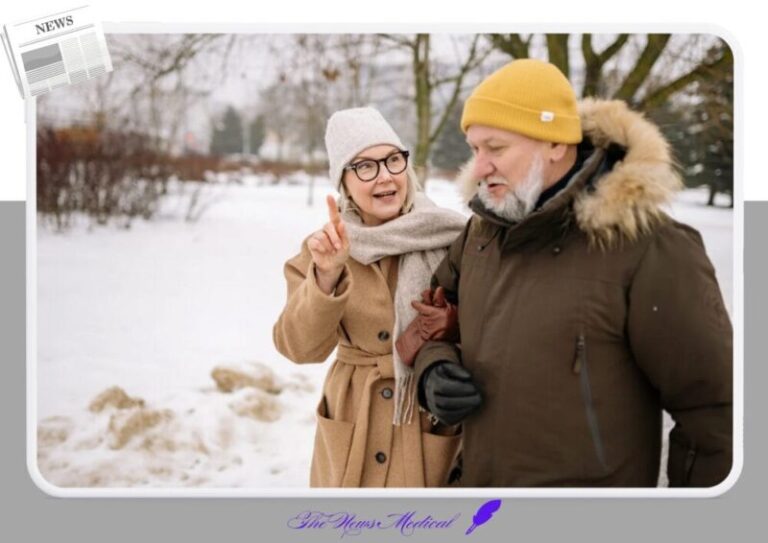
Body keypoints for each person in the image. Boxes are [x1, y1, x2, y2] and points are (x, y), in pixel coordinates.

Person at [412, 59, 733, 487]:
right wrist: (434, 371)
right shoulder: (480, 233)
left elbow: (715, 414)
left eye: (496, 148)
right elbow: (428, 319)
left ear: (555, 144)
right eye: (475, 149)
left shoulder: (650, 248)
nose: (479, 166)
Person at [273, 107, 467, 487]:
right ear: (343, 182)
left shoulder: (452, 238)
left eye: (393, 160)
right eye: (364, 166)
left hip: (426, 418)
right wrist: (326, 277)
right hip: (354, 423)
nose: (385, 177)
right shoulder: (325, 248)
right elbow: (298, 348)